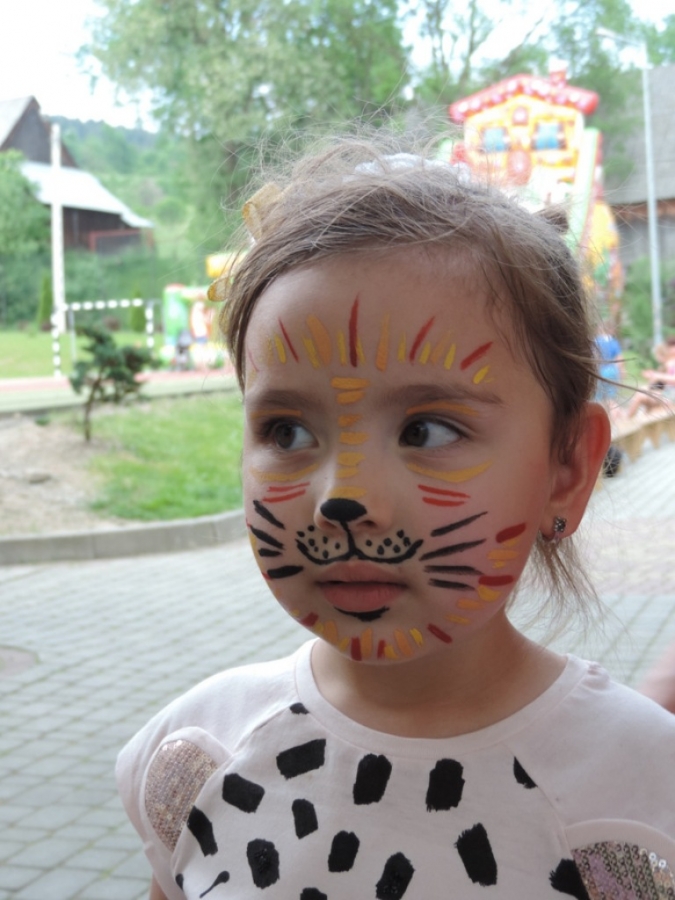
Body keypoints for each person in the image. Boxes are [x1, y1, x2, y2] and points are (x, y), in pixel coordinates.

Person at [117, 139, 675, 900]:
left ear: (567, 468)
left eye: (427, 430)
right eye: (287, 431)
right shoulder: (200, 754)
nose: (343, 500)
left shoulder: (642, 789)